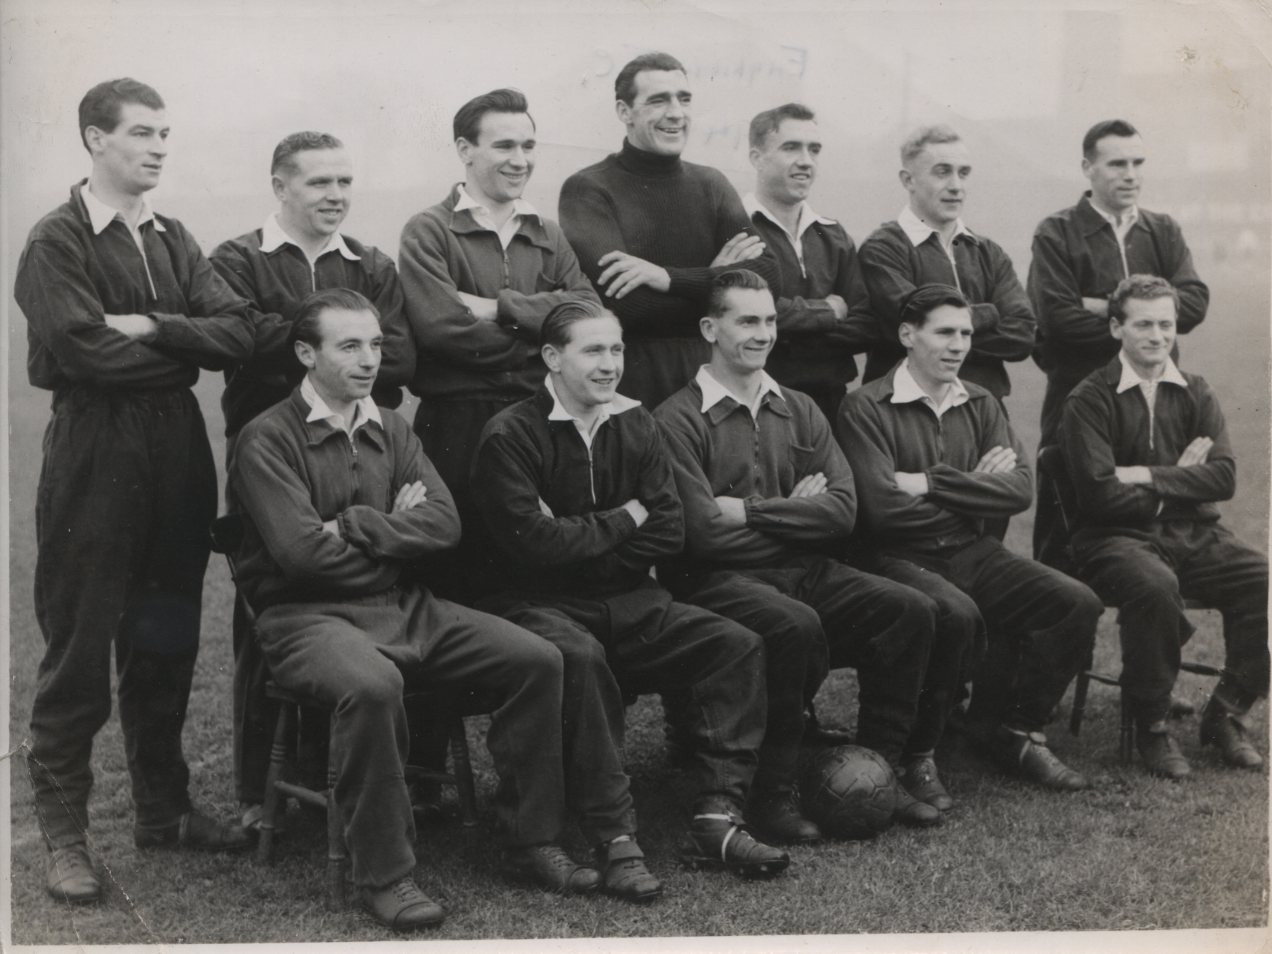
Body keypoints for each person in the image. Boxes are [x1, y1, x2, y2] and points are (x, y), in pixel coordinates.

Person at [230, 288, 594, 932]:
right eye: (350, 346)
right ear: (305, 354)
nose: (371, 359)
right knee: (374, 685)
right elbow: (302, 558)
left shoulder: (391, 426)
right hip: (305, 619)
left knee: (537, 658)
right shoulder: (267, 438)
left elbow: (445, 524)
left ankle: (529, 838)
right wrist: (395, 534)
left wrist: (356, 526)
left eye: (376, 344)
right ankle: (386, 875)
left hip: (404, 604)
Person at [15, 77, 256, 906]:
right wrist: (185, 352)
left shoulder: (175, 237)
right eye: (142, 133)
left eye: (166, 133)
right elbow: (81, 353)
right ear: (94, 138)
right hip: (95, 446)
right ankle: (65, 835)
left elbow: (237, 331)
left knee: (166, 633)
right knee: (80, 640)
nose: (158, 147)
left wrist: (157, 329)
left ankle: (163, 809)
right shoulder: (57, 240)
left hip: (175, 449)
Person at [471, 299, 791, 881]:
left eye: (616, 349)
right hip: (535, 606)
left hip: (630, 599)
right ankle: (616, 840)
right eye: (592, 350)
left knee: (735, 644)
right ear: (551, 357)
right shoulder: (510, 435)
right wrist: (626, 517)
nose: (609, 364)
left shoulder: (635, 421)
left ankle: (718, 820)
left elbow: (668, 530)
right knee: (582, 659)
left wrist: (581, 536)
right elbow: (533, 548)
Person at [655, 269, 948, 829]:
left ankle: (880, 771)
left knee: (909, 609)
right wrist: (796, 509)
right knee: (794, 625)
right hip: (715, 579)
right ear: (709, 327)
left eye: (768, 320)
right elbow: (704, 534)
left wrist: (750, 510)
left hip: (805, 568)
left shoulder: (800, 406)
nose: (763, 333)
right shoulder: (675, 419)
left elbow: (842, 511)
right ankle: (774, 791)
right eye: (747, 321)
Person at [211, 130, 415, 824]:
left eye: (345, 183)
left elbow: (404, 358)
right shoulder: (237, 259)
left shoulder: (372, 262)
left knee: (365, 586)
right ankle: (253, 795)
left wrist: (296, 342)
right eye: (319, 183)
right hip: (267, 454)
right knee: (269, 613)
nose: (335, 196)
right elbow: (232, 338)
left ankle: (350, 772)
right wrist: (321, 345)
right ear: (279, 186)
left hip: (363, 448)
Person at [837, 283, 1102, 792]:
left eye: (965, 333)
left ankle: (1009, 729)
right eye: (944, 332)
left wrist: (932, 483)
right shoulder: (866, 408)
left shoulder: (980, 401)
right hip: (897, 557)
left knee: (1075, 602)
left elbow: (1021, 489)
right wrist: (976, 488)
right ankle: (918, 753)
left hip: (972, 550)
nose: (958, 345)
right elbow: (884, 510)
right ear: (907, 335)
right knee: (956, 613)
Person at [1059, 274, 1267, 779]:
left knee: (1263, 577)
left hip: (1196, 535)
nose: (1158, 336)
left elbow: (1223, 477)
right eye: (1144, 324)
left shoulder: (1195, 390)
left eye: (1167, 324)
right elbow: (1099, 494)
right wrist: (1181, 480)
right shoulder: (1089, 398)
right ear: (1116, 328)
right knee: (1154, 586)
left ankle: (1227, 711)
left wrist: (1147, 473)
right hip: (1113, 538)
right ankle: (1151, 723)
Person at [397, 88, 599, 601]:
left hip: (539, 421)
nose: (520, 160)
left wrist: (498, 307)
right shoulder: (429, 230)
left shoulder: (547, 233)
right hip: (457, 424)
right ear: (465, 149)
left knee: (540, 570)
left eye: (529, 146)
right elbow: (442, 330)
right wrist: (545, 342)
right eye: (504, 146)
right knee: (463, 573)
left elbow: (591, 319)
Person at [1028, 119, 1209, 569]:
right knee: (1062, 519)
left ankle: (1155, 615)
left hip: (1154, 394)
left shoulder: (1162, 229)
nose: (1131, 174)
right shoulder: (1057, 232)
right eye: (1117, 164)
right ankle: (1056, 629)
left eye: (1138, 163)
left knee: (1157, 508)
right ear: (1088, 168)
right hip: (1076, 392)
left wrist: (1105, 307)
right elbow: (1059, 319)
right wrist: (1149, 319)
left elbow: (1196, 301)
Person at [559, 51, 779, 408]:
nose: (676, 112)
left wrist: (667, 278)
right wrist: (719, 278)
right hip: (639, 386)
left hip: (715, 382)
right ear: (624, 112)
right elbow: (627, 307)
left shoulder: (711, 183)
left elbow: (769, 278)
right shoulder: (588, 189)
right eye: (658, 100)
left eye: (684, 99)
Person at [858, 125, 1034, 403]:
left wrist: (939, 335)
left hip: (983, 411)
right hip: (906, 413)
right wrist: (989, 314)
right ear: (908, 180)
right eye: (942, 172)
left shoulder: (989, 252)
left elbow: (1022, 333)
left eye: (963, 173)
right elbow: (916, 325)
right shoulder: (882, 250)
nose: (956, 186)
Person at [743, 103, 877, 422]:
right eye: (791, 148)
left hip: (829, 405)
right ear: (756, 158)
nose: (806, 161)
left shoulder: (832, 235)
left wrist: (788, 330)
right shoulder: (735, 227)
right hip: (756, 403)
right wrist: (828, 312)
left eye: (814, 150)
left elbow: (866, 322)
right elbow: (748, 316)